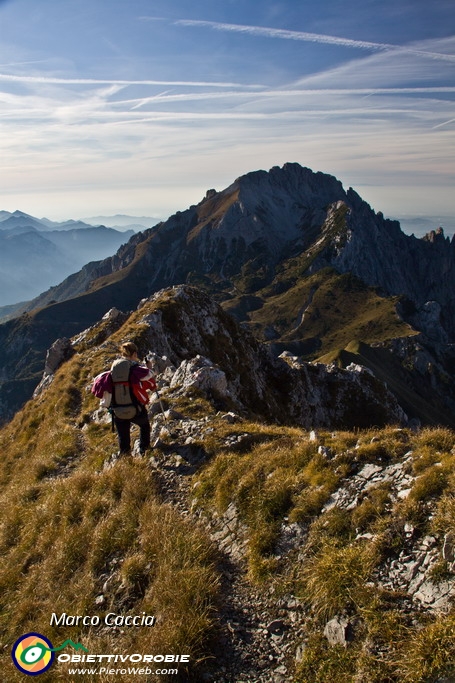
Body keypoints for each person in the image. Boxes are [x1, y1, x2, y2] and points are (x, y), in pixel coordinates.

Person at [112, 341, 156, 456]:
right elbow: (149, 375)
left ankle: (125, 458)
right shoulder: (134, 368)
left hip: (117, 409)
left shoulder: (114, 367)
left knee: (123, 435)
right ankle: (144, 450)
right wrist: (149, 368)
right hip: (135, 408)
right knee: (145, 426)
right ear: (135, 354)